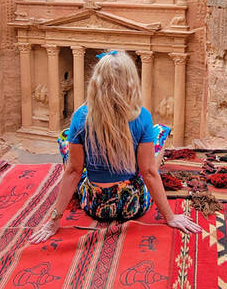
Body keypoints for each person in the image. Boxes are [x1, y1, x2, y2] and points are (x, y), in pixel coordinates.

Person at [29, 50, 201, 244]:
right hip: (133, 204)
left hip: (95, 205)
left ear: (96, 81)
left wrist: (53, 221)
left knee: (65, 139)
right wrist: (170, 217)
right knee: (159, 132)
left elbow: (73, 171)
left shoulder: (81, 116)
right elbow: (148, 173)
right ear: (131, 81)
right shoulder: (142, 116)